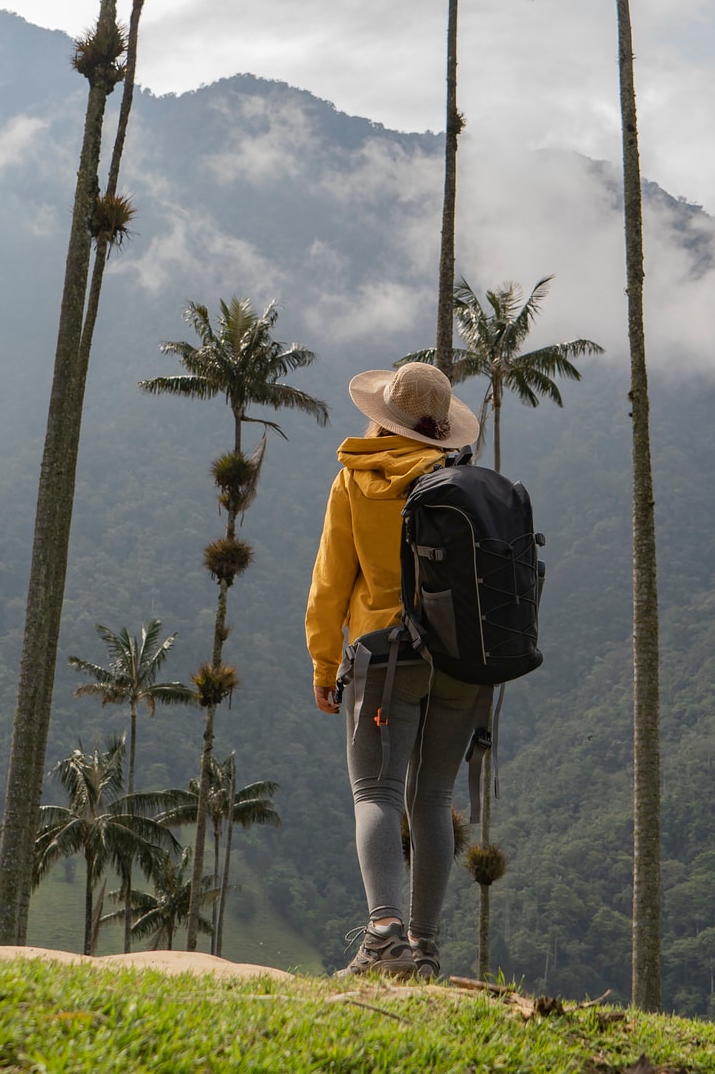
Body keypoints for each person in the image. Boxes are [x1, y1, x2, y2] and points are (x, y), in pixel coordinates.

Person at [305, 361, 483, 981]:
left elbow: (330, 584)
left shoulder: (354, 482)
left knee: (376, 792)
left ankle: (385, 936)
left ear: (383, 418)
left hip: (384, 659)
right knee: (432, 798)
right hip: (461, 662)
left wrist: (325, 663)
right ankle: (424, 947)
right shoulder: (459, 484)